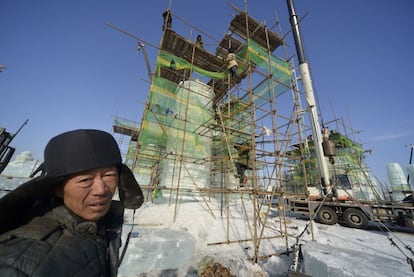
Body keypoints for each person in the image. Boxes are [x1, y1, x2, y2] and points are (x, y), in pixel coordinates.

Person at [0, 129, 144, 276]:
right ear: (58, 188)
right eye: (85, 180)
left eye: (109, 175)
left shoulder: (98, 225)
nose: (101, 190)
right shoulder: (17, 264)